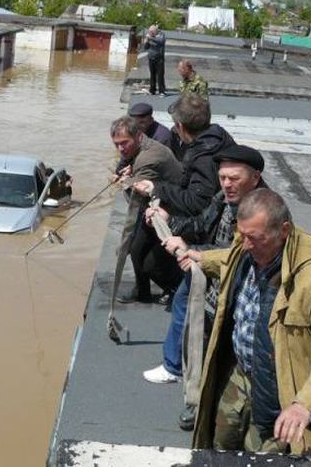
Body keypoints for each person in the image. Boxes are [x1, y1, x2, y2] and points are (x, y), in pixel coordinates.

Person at [192, 189, 311, 457]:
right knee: (219, 449)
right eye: (242, 235)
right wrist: (200, 259)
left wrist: (305, 404)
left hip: (279, 391)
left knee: (265, 459)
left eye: (254, 238)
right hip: (240, 377)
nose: (245, 245)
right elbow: (230, 258)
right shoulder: (250, 247)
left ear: (283, 231)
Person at [141, 146, 266, 433]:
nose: (226, 184)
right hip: (211, 292)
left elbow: (240, 254)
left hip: (238, 300)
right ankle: (197, 403)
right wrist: (169, 219)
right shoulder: (223, 199)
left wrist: (191, 250)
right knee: (200, 346)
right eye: (222, 177)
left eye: (234, 178)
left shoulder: (261, 213)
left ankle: (223, 414)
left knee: (230, 358)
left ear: (255, 178)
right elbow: (201, 223)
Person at [110, 117, 182, 303]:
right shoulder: (145, 147)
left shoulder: (148, 157)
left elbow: (136, 200)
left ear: (139, 136)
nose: (120, 149)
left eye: (124, 143)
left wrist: (124, 183)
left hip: (171, 211)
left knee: (150, 263)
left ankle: (176, 289)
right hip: (156, 206)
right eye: (116, 144)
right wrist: (131, 174)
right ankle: (142, 292)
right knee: (135, 250)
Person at [133, 93, 235, 217]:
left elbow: (197, 203)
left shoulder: (204, 158)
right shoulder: (218, 136)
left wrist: (156, 188)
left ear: (180, 126)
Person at [144, 25, 166, 96]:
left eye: (151, 32)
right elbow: (146, 48)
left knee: (160, 75)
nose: (150, 33)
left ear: (155, 31)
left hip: (159, 58)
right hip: (151, 58)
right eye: (149, 32)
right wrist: (146, 42)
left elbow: (160, 42)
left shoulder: (161, 35)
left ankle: (161, 91)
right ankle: (152, 90)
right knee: (152, 75)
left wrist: (150, 38)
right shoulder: (149, 37)